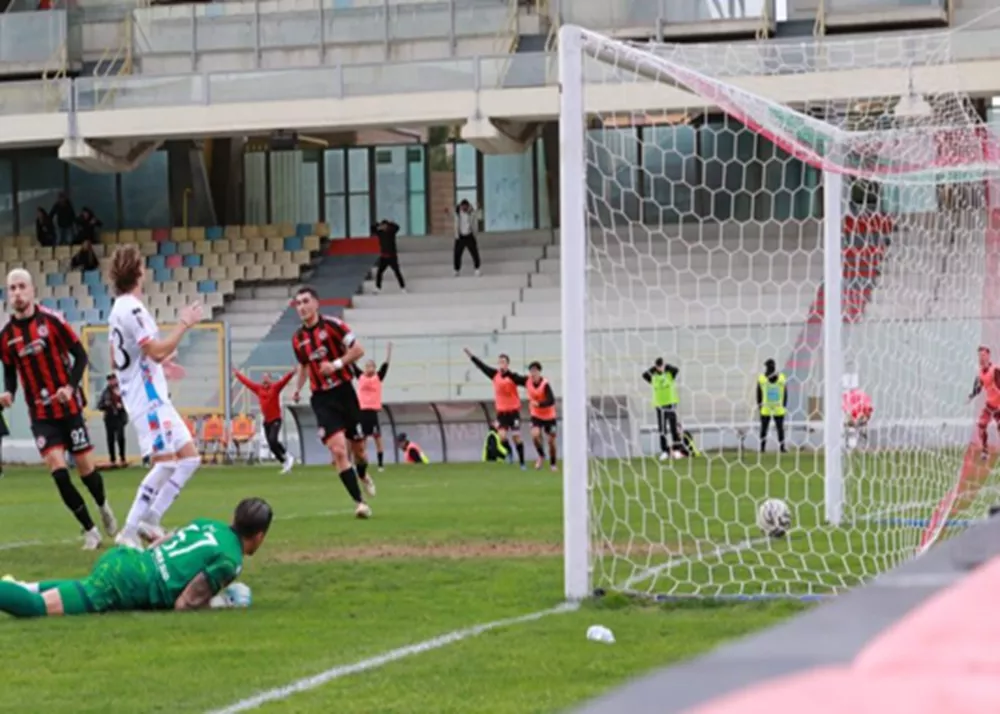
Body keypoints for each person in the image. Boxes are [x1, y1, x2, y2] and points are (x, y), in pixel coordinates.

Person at [0, 497, 272, 618]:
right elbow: (184, 603)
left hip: (130, 559)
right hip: (129, 580)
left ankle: (17, 586)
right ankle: (10, 592)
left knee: (80, 587)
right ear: (259, 536)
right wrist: (221, 603)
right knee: (38, 609)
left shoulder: (209, 524)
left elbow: (164, 540)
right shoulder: (230, 560)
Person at [0, 268, 117, 548]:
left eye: (21, 287)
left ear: (31, 290)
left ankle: (103, 506)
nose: (16, 293)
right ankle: (90, 530)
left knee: (87, 471)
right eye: (11, 288)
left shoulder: (52, 321)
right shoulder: (5, 336)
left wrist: (70, 387)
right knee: (59, 473)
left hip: (69, 409)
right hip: (41, 415)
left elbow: (80, 356)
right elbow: (9, 371)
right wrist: (8, 392)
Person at [107, 244, 204, 549]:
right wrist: (184, 324)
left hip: (154, 396)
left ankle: (151, 519)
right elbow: (154, 348)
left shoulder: (118, 309)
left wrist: (161, 363)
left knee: (190, 458)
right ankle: (129, 530)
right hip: (147, 401)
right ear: (139, 272)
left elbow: (119, 358)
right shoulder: (133, 310)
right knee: (165, 463)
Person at [290, 287, 375, 517]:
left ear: (317, 304)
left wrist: (336, 365)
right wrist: (298, 388)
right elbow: (305, 365)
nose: (302, 307)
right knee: (338, 450)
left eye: (306, 301)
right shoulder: (297, 339)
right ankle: (359, 502)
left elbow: (358, 350)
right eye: (298, 303)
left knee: (360, 451)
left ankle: (363, 474)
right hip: (322, 398)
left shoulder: (334, 325)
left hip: (345, 393)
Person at [463, 347, 527, 469]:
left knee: (516, 437)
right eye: (500, 362)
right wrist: (471, 356)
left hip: (513, 412)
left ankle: (522, 462)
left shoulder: (513, 377)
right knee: (502, 436)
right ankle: (509, 452)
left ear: (508, 364)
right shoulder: (495, 375)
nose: (501, 364)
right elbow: (482, 367)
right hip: (502, 413)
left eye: (504, 362)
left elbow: (525, 382)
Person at [232, 368, 295, 473]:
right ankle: (284, 462)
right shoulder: (258, 389)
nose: (265, 380)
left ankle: (288, 455)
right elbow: (247, 383)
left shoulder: (275, 388)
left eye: (267, 378)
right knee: (271, 445)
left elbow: (284, 381)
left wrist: (292, 372)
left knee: (273, 440)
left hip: (276, 419)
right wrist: (237, 374)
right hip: (267, 421)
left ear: (270, 379)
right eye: (263, 378)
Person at [352, 342, 391, 471]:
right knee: (362, 440)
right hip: (362, 411)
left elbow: (386, 365)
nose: (369, 368)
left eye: (371, 366)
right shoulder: (361, 377)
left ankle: (380, 464)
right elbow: (351, 364)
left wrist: (388, 351)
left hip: (373, 412)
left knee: (377, 438)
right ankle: (362, 463)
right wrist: (348, 350)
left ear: (374, 368)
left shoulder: (378, 378)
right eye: (367, 366)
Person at [642, 357, 683, 461]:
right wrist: (655, 369)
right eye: (659, 366)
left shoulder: (669, 374)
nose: (661, 368)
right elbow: (644, 375)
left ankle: (677, 449)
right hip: (660, 405)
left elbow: (676, 370)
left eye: (662, 366)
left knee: (673, 427)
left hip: (671, 403)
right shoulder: (653, 376)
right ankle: (665, 451)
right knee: (662, 429)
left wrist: (666, 366)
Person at [526, 361, 558, 471]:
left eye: (535, 371)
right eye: (531, 371)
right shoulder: (528, 382)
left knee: (551, 441)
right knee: (535, 435)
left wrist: (539, 404)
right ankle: (541, 455)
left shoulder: (545, 384)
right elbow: (515, 379)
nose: (533, 374)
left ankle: (553, 464)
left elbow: (551, 400)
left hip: (549, 416)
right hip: (536, 415)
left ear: (539, 372)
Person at [969, 345, 1000, 459]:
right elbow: (978, 387)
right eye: (979, 356)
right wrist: (971, 395)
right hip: (990, 405)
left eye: (983, 355)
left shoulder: (995, 370)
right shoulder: (981, 373)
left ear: (988, 356)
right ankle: (985, 451)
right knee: (981, 426)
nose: (981, 358)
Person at [757, 358, 788, 453]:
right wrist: (784, 405)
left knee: (767, 428)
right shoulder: (781, 378)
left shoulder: (762, 379)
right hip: (776, 407)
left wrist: (759, 405)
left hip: (767, 407)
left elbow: (758, 393)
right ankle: (781, 448)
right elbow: (786, 393)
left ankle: (763, 448)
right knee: (779, 428)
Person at [97, 374, 128, 468]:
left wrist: (122, 406)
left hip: (119, 417)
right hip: (109, 417)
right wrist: (106, 405)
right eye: (110, 380)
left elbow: (129, 403)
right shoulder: (105, 392)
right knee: (110, 439)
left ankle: (122, 458)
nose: (111, 381)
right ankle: (112, 459)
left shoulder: (122, 390)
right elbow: (99, 405)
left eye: (113, 379)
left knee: (120, 437)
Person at [372, 220, 405, 292]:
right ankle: (378, 287)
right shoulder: (380, 233)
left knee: (397, 272)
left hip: (392, 256)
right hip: (384, 257)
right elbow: (372, 229)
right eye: (382, 226)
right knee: (379, 272)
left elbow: (397, 227)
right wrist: (377, 225)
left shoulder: (391, 232)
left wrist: (391, 223)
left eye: (385, 226)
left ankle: (403, 287)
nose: (383, 227)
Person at [452, 200, 481, 277]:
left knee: (475, 253)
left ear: (468, 206)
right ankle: (456, 270)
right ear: (461, 207)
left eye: (466, 207)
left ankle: (477, 269)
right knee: (457, 254)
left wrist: (478, 208)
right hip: (460, 236)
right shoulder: (457, 213)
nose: (464, 208)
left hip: (469, 235)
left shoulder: (471, 213)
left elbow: (479, 215)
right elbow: (451, 215)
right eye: (463, 207)